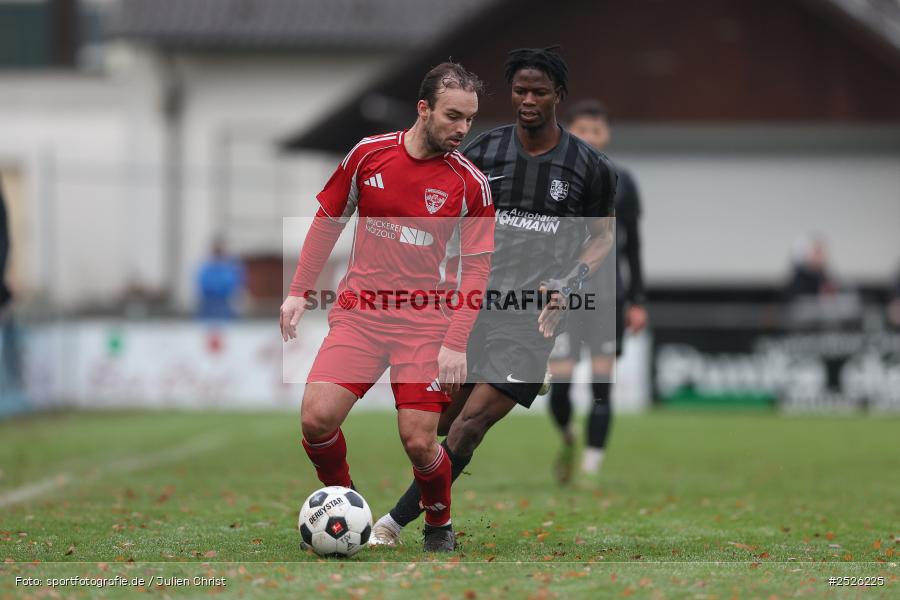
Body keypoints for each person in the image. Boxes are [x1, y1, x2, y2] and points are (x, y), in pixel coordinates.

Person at [370, 47, 617, 546]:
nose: (527, 100)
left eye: (539, 92)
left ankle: (396, 524)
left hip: (530, 319)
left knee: (470, 426)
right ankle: (526, 380)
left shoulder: (590, 167)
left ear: (558, 96)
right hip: (472, 307)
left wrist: (571, 281)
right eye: (520, 91)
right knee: (438, 421)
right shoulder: (483, 152)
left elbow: (602, 237)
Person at [279, 62, 494, 552]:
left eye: (469, 118)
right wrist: (298, 291)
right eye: (453, 116)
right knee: (316, 420)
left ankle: (438, 522)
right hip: (360, 316)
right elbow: (328, 220)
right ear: (424, 109)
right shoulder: (368, 155)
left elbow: (477, 271)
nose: (463, 128)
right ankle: (345, 505)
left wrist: (455, 342)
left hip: (425, 324)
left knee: (419, 441)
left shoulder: (471, 184)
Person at [546, 100, 648, 483]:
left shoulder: (623, 181)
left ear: (606, 135)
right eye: (582, 129)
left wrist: (638, 300)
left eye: (596, 130)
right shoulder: (553, 179)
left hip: (608, 298)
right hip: (563, 298)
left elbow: (633, 245)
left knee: (602, 386)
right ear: (568, 132)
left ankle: (591, 466)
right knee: (559, 386)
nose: (589, 136)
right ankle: (568, 434)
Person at [196, 238, 245, 320]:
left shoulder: (230, 267)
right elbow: (203, 284)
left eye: (220, 250)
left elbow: (235, 283)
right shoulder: (206, 267)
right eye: (217, 250)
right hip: (208, 304)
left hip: (225, 304)